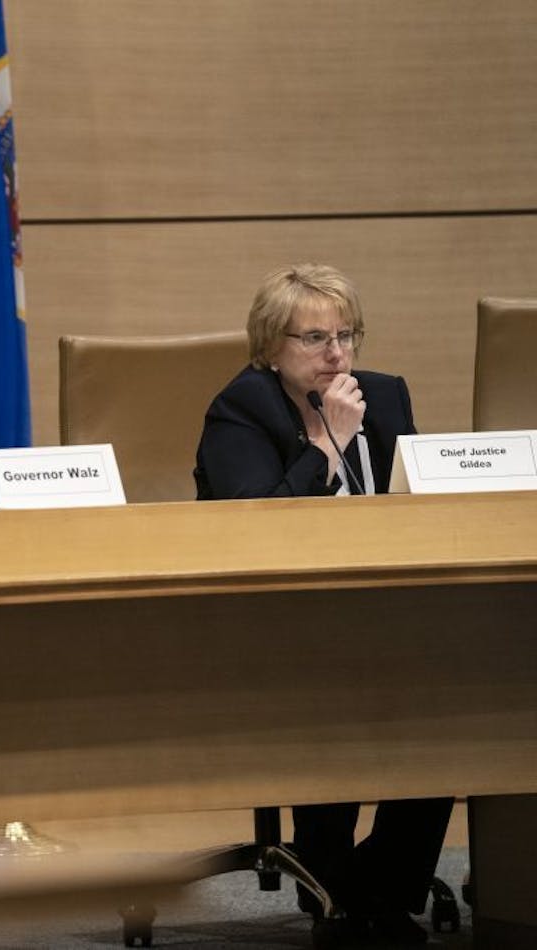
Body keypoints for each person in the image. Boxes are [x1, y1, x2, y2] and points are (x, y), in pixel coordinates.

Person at [194, 264, 452, 944]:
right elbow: (253, 531)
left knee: (460, 687)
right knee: (328, 678)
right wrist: (320, 448)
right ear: (270, 347)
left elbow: (414, 506)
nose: (336, 355)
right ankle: (334, 888)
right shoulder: (242, 409)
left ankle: (381, 891)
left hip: (387, 616)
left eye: (346, 335)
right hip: (276, 625)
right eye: (314, 338)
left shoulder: (386, 398)